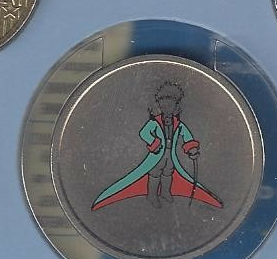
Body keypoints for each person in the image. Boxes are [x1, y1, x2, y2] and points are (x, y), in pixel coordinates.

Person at [91, 81, 222, 211]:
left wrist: (191, 148)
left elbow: (186, 135)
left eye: (170, 105)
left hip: (171, 155)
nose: (167, 108)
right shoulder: (154, 122)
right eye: (164, 105)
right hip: (157, 154)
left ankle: (165, 192)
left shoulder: (178, 124)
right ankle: (152, 195)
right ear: (159, 105)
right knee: (155, 173)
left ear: (176, 107)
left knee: (168, 172)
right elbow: (144, 133)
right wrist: (154, 142)